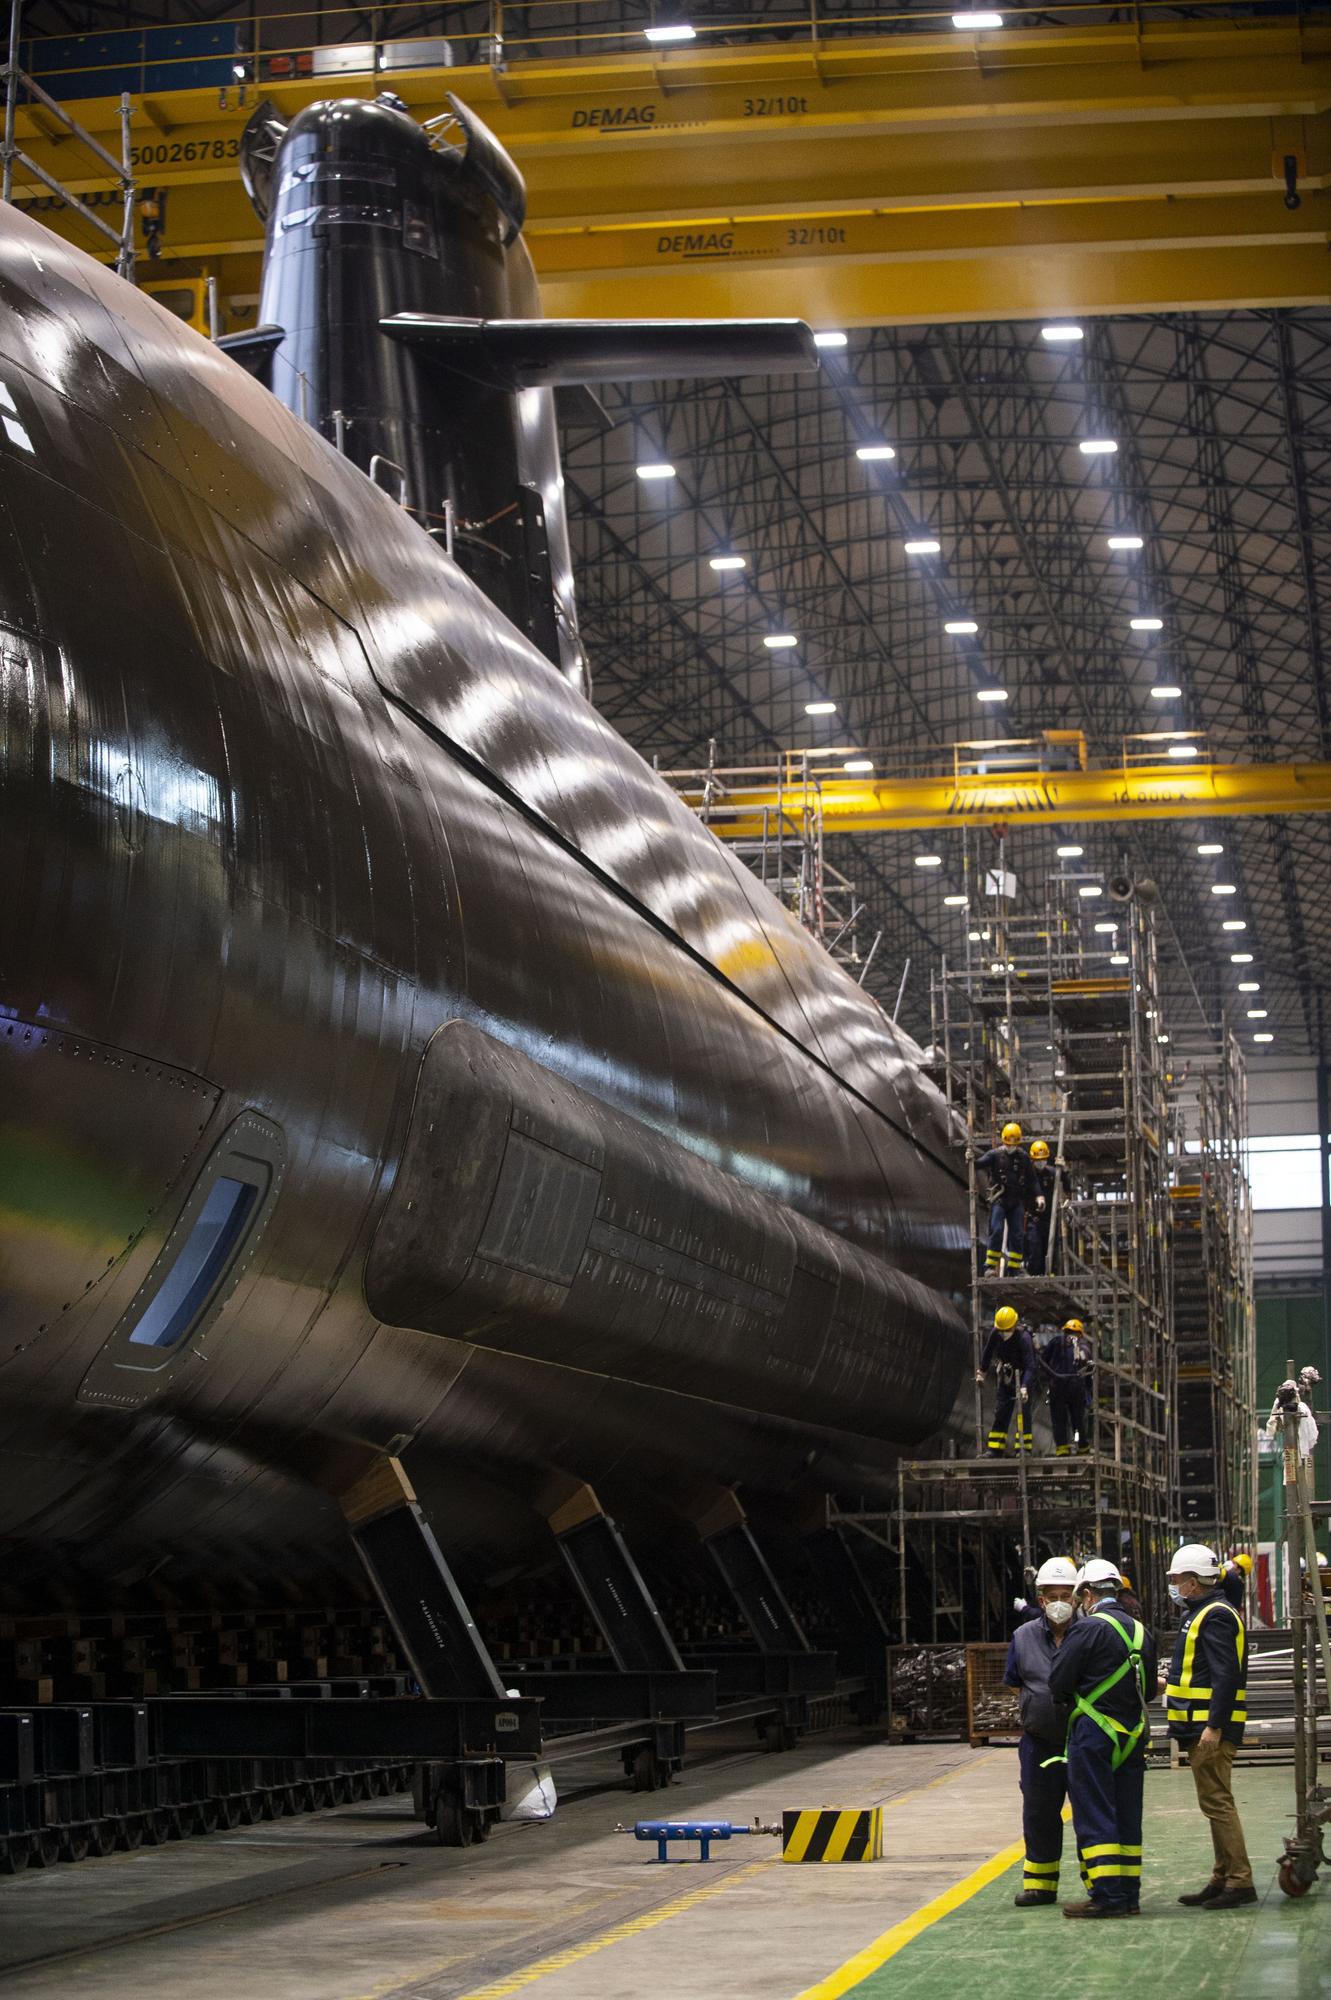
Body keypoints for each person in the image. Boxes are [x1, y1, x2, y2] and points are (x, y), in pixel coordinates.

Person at [1047, 1557, 1157, 1919]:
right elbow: (1149, 1689)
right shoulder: (1142, 1632)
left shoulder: (1087, 1629)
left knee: (1094, 1811)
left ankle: (1107, 1895)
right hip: (1132, 1734)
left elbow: (1059, 1680)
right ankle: (1129, 1896)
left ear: (1089, 1594)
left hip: (1094, 1734)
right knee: (1128, 1813)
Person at [1164, 1542, 1254, 1910]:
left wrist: (1214, 1727)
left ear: (1193, 1581)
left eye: (1176, 1579)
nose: (1173, 1585)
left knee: (1218, 1802)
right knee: (1213, 1802)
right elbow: (1199, 1669)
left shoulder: (1215, 1615)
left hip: (1208, 1728)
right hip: (1197, 1724)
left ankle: (1240, 1881)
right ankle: (1222, 1876)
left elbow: (1225, 1674)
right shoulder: (1200, 1612)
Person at [1004, 1557, 1079, 1905]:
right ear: (1041, 1600)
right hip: (1039, 1743)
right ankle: (1040, 1885)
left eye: (1067, 1594)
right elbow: (1015, 1684)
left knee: (1090, 1813)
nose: (1060, 1602)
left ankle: (1098, 1883)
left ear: (1077, 1598)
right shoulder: (1022, 1637)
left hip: (1082, 1740)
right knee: (1038, 1812)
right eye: (1053, 1596)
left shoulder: (1091, 1633)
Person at [977, 1122, 1038, 1274]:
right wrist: (970, 1158)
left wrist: (1040, 1196)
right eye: (1008, 1144)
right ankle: (990, 1266)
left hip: (1016, 1201)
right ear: (1003, 1141)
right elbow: (978, 1163)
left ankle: (1014, 1268)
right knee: (996, 1230)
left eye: (1014, 1144)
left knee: (1017, 1234)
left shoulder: (1023, 1157)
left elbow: (1032, 1179)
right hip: (1000, 1200)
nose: (1011, 1147)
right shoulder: (995, 1155)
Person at [978, 1305, 1037, 1455]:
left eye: (1006, 1330)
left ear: (1014, 1325)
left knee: (1023, 1413)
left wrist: (1024, 1387)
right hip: (1006, 1376)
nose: (1003, 1333)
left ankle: (1023, 1449)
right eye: (1001, 1330)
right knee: (1001, 1411)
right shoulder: (996, 1332)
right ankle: (995, 1449)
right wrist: (982, 1372)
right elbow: (988, 1352)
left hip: (1023, 1376)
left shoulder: (1024, 1338)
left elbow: (1031, 1366)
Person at [1039, 1319, 1087, 1457]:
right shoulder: (1082, 1347)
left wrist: (1051, 1376)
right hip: (1073, 1388)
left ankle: (1063, 1448)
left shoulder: (1057, 1342)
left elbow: (1042, 1360)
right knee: (1076, 1419)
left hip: (1060, 1387)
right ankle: (1080, 1446)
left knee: (1061, 1420)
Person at [1024, 1139, 1056, 1275]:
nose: (1041, 1162)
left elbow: (1067, 1186)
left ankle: (1051, 1276)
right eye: (1038, 1160)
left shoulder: (1053, 1173)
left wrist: (1064, 1171)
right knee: (1035, 1251)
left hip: (1051, 1220)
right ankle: (1035, 1277)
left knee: (1051, 1252)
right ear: (1032, 1159)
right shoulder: (1028, 1175)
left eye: (1043, 1159)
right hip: (1034, 1220)